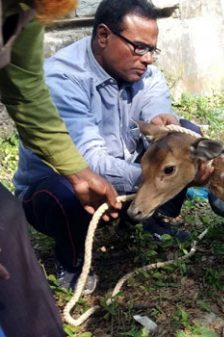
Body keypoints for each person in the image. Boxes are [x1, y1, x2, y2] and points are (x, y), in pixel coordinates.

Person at [13, 0, 196, 295]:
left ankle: (146, 219)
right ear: (103, 36)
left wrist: (163, 119)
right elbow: (87, 164)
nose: (148, 59)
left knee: (186, 141)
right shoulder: (62, 79)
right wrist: (160, 177)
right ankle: (71, 262)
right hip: (63, 185)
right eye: (139, 47)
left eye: (152, 50)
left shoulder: (141, 69)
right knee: (65, 193)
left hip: (121, 175)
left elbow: (155, 98)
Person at [0, 0, 121, 335]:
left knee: (5, 220)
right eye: (137, 47)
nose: (146, 57)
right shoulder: (66, 74)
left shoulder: (28, 10)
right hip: (39, 192)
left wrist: (78, 172)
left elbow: (25, 93)